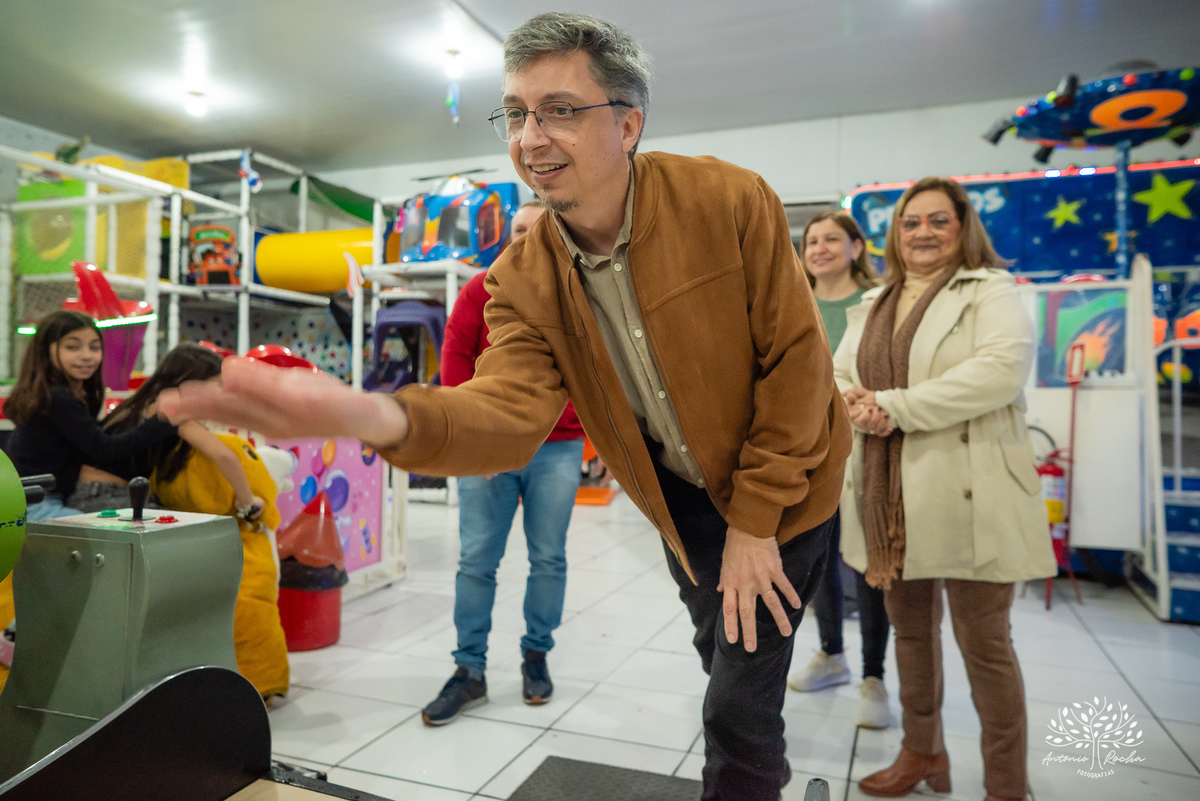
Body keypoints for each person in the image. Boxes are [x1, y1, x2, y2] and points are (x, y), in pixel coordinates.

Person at [162, 13, 851, 801]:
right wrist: (370, 416)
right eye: (516, 114)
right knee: (728, 665)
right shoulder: (523, 274)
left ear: (627, 123)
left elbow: (799, 365)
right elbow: (507, 406)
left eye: (559, 109)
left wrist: (757, 521)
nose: (530, 137)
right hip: (681, 500)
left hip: (789, 483)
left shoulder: (727, 199)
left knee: (736, 706)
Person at [834, 177, 1054, 801]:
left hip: (972, 491)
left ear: (963, 230)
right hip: (890, 496)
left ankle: (1007, 783)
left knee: (985, 647)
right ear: (895, 235)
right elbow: (839, 369)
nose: (923, 233)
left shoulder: (989, 290)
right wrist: (858, 404)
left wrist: (894, 406)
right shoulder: (875, 301)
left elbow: (997, 372)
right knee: (910, 635)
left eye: (938, 222)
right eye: (911, 223)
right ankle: (923, 753)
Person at [422, 199, 587, 725]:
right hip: (487, 449)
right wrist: (473, 441)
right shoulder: (480, 288)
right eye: (519, 229)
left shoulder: (577, 295)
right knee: (476, 563)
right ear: (507, 236)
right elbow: (454, 361)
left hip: (558, 447)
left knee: (549, 559)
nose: (527, 238)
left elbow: (597, 372)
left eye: (540, 229)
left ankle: (535, 656)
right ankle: (468, 671)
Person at [787, 212, 892, 731]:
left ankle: (874, 676)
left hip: (867, 448)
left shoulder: (879, 303)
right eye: (812, 240)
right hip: (807, 453)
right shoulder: (791, 298)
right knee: (819, 560)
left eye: (832, 239)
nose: (820, 248)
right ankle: (832, 654)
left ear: (857, 246)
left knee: (871, 565)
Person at [4, 310, 175, 520]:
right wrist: (165, 419)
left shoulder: (60, 395)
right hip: (34, 504)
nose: (87, 355)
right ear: (45, 351)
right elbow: (103, 449)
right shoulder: (57, 399)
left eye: (94, 347)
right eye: (72, 347)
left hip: (41, 498)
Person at [76, 343, 265, 522]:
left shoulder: (139, 402)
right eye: (215, 385)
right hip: (105, 495)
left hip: (88, 492)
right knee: (188, 531)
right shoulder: (173, 409)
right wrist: (248, 502)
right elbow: (224, 456)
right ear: (193, 383)